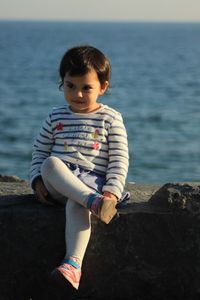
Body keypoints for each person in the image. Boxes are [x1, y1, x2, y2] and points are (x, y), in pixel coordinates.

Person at [30, 45, 129, 292]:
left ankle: (73, 265)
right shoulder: (55, 117)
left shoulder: (110, 118)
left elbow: (119, 159)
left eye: (87, 87)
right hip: (59, 182)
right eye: (70, 86)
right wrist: (37, 181)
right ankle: (93, 203)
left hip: (91, 184)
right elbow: (39, 152)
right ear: (62, 83)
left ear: (102, 87)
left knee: (78, 202)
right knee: (50, 163)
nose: (78, 94)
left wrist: (112, 192)